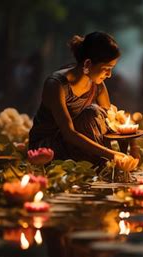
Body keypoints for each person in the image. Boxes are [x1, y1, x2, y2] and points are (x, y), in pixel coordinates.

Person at [28, 32, 128, 164]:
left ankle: (103, 163)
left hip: (78, 143)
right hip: (47, 148)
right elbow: (69, 133)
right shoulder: (57, 84)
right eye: (106, 68)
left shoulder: (97, 85)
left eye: (111, 68)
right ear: (87, 64)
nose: (109, 74)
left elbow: (110, 123)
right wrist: (112, 155)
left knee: (97, 115)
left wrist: (133, 147)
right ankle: (102, 163)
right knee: (92, 113)